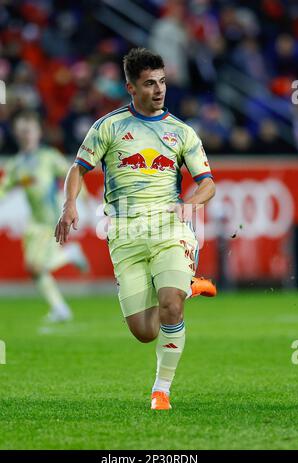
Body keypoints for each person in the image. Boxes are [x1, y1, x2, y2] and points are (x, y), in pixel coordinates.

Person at [55, 48, 216, 410]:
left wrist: (188, 203)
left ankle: (162, 390)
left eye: (161, 82)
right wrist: (69, 206)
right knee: (145, 332)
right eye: (149, 84)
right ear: (130, 87)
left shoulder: (181, 132)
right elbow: (77, 169)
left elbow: (208, 183)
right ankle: (190, 284)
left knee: (170, 305)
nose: (158, 90)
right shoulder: (109, 127)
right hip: (125, 235)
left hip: (167, 229)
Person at [0, 110, 89, 322]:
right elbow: (4, 188)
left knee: (36, 266)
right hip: (34, 224)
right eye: (21, 131)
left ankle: (70, 254)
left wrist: (80, 197)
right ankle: (59, 308)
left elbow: (72, 175)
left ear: (38, 132)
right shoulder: (15, 165)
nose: (25, 135)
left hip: (52, 220)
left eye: (29, 130)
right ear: (16, 133)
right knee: (33, 269)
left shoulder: (48, 157)